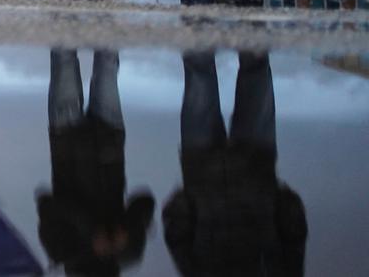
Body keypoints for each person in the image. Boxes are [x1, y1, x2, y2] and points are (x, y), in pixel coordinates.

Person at [162, 51, 307, 275]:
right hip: (252, 166)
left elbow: (177, 236)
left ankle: (202, 21)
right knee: (253, 70)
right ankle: (247, 21)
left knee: (201, 72)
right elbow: (294, 235)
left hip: (208, 169)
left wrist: (189, 197)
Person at [37, 48, 155, 276]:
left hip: (66, 137)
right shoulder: (127, 253)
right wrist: (127, 229)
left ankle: (65, 12)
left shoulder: (62, 252)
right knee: (107, 59)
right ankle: (109, 13)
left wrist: (91, 231)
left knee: (64, 57)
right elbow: (145, 201)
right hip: (108, 135)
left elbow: (46, 203)